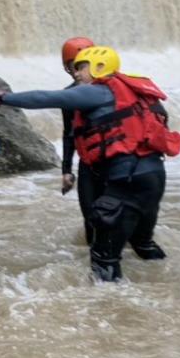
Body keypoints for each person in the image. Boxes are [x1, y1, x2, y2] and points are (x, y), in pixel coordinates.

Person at [0, 46, 180, 281]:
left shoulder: (99, 92)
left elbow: (46, 98)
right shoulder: (135, 92)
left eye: (81, 68)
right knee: (141, 243)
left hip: (128, 181)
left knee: (103, 256)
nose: (77, 74)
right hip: (153, 176)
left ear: (99, 67)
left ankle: (112, 309)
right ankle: (169, 286)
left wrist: (0, 98)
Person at [59, 36, 104, 244]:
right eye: (73, 66)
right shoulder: (68, 96)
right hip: (88, 165)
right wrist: (66, 170)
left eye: (82, 65)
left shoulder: (114, 90)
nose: (78, 71)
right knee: (91, 218)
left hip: (117, 162)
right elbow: (69, 134)